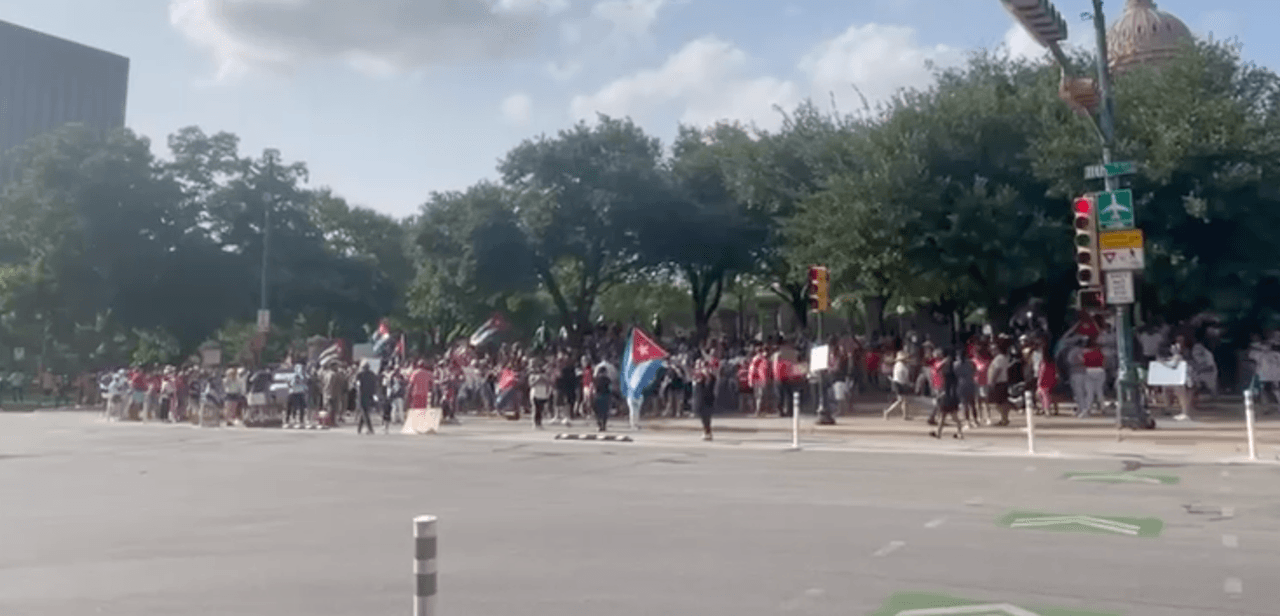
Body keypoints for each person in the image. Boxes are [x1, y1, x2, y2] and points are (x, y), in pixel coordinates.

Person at [355, 362, 379, 435]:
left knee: (365, 412)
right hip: (370, 395)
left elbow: (357, 385)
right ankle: (359, 428)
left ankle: (370, 429)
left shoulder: (359, 375)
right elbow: (375, 385)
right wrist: (374, 395)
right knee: (365, 411)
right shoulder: (372, 374)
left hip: (362, 395)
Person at [591, 364, 612, 432]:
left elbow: (593, 389)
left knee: (597, 412)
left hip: (597, 396)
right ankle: (604, 425)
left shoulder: (595, 379)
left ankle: (599, 425)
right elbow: (610, 389)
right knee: (605, 412)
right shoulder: (608, 380)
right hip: (605, 396)